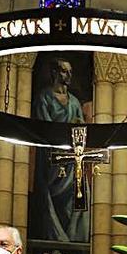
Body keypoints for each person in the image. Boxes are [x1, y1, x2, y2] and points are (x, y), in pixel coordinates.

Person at [34, 58, 90, 242]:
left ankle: (74, 237)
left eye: (70, 72)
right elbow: (44, 127)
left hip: (72, 160)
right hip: (53, 158)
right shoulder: (44, 97)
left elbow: (80, 127)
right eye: (64, 71)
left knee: (76, 195)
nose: (68, 76)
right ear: (54, 73)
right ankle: (54, 235)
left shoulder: (74, 101)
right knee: (53, 199)